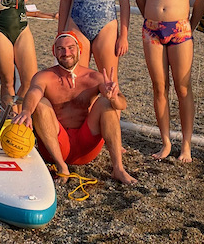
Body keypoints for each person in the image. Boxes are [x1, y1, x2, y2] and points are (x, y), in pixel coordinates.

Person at [133, 0, 204, 162]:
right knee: (159, 88)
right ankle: (165, 142)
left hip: (180, 28)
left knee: (183, 87)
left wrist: (192, 24)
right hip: (152, 29)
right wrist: (152, 17)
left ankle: (186, 145)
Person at [15, 32, 134, 186]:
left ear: (79, 50)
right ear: (54, 51)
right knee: (40, 103)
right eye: (61, 49)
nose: (66, 53)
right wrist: (26, 111)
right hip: (55, 145)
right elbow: (34, 91)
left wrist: (113, 97)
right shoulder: (44, 76)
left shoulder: (94, 77)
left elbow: (122, 105)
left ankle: (118, 168)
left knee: (106, 104)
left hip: (85, 147)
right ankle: (62, 167)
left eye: (71, 48)